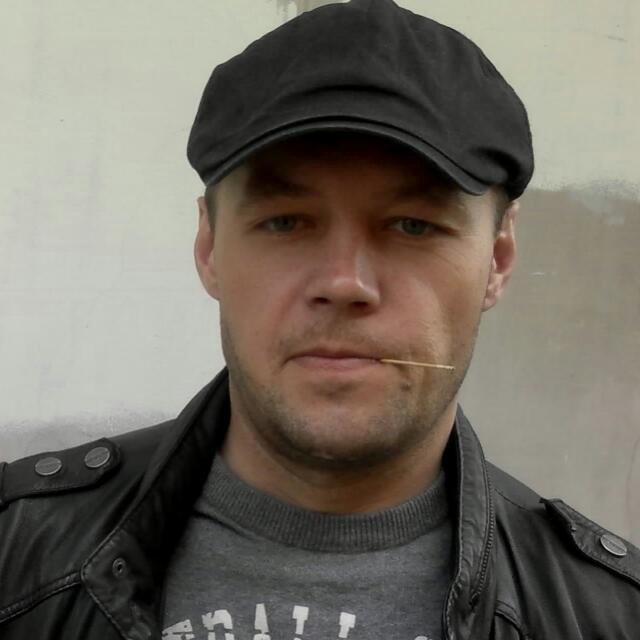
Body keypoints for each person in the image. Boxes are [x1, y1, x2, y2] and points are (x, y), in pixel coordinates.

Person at [0, 1, 638, 638]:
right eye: (285, 222)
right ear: (210, 247)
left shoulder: (609, 617)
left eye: (413, 226)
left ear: (498, 258)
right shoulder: (15, 554)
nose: (343, 282)